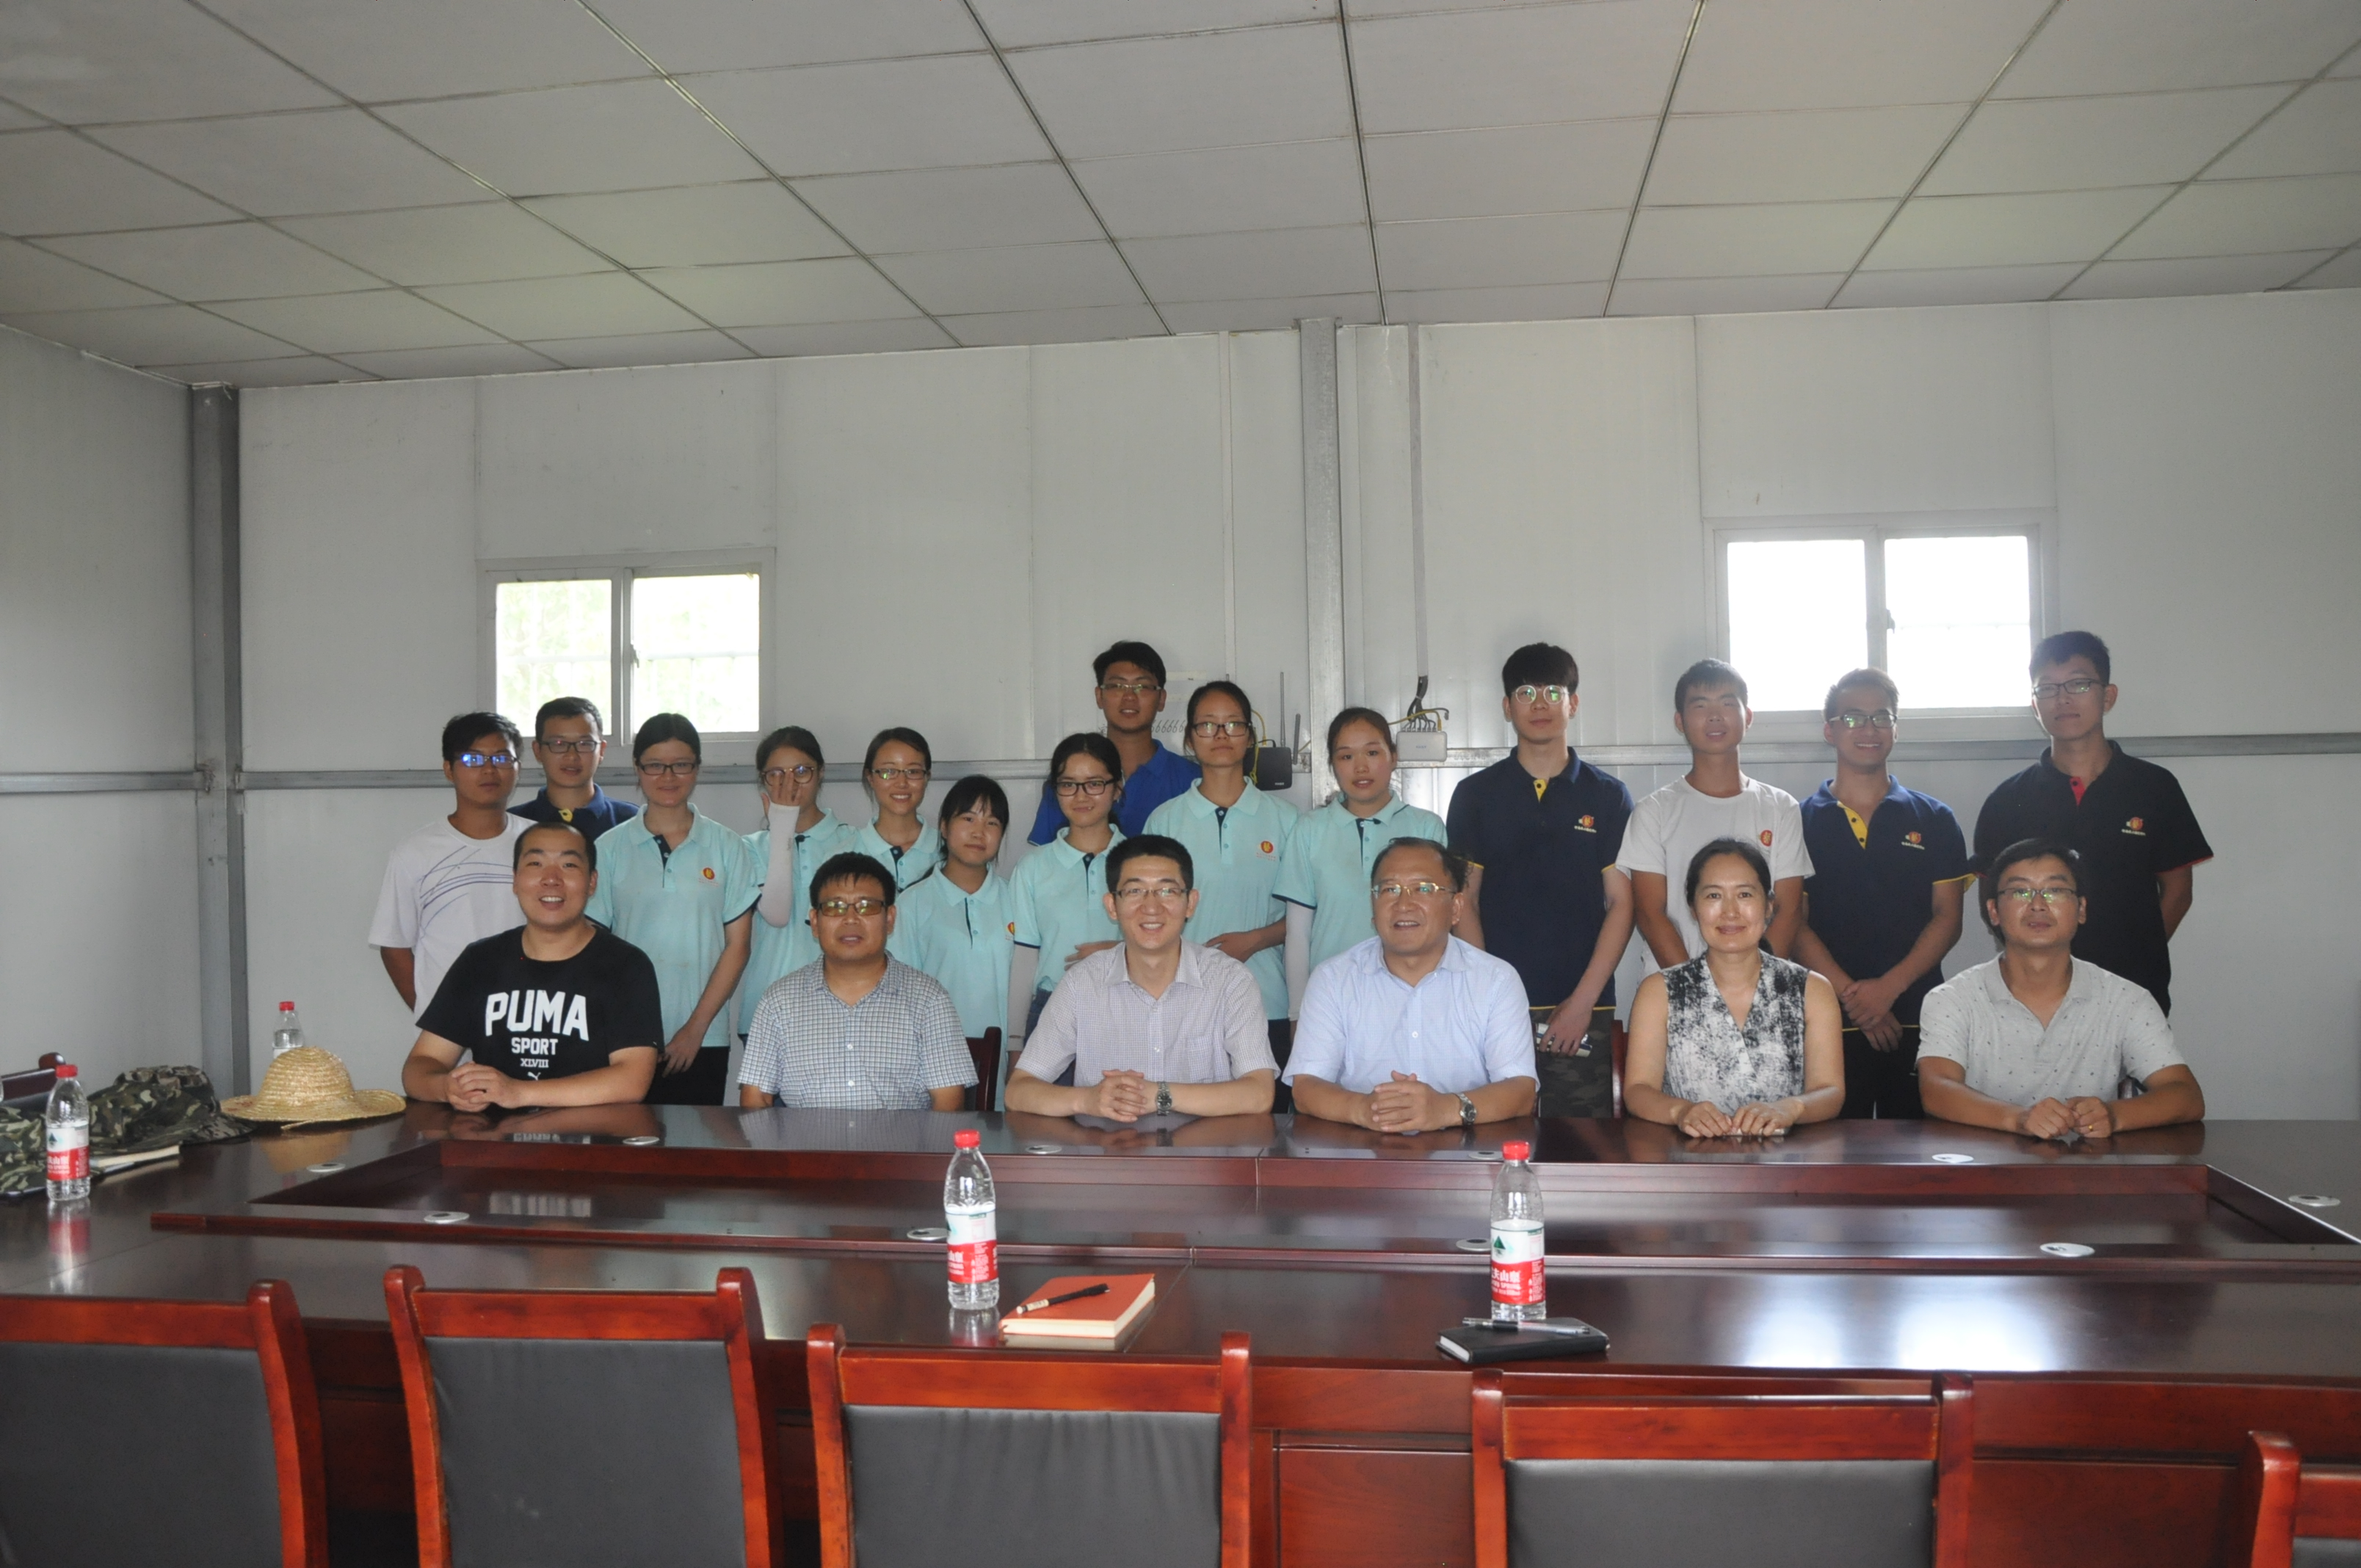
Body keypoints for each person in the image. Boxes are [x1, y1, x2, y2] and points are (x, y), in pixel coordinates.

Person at [1973, 631, 2212, 1013]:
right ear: (2035, 705)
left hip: (2134, 991)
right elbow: (1993, 900)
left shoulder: (2155, 787)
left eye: (2079, 684)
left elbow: (2179, 891)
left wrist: (2136, 954)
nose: (2063, 698)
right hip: (2034, 997)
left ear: (2108, 696)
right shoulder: (2007, 800)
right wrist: (2038, 965)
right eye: (2047, 688)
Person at [1444, 644, 1634, 1118]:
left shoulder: (1608, 796)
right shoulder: (1475, 796)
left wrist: (1582, 1003)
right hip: (1492, 1010)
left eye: (1554, 692)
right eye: (1526, 693)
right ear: (1507, 707)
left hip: (1584, 1011)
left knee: (1580, 1146)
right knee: (1491, 1140)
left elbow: (1622, 904)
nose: (1541, 703)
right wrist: (1492, 999)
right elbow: (1464, 900)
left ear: (1574, 703)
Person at [1918, 839, 2205, 1139]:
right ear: (1994, 912)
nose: (2038, 905)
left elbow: (2185, 1095)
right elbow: (1937, 1090)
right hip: (1984, 1164)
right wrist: (2020, 1119)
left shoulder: (2127, 1000)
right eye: (2020, 891)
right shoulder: (1952, 999)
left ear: (2081, 909)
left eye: (2055, 891)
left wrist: (2113, 1115)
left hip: (2087, 1165)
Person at [1793, 669, 1973, 1119]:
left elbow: (1948, 918)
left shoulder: (1935, 818)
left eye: (1881, 717)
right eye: (1853, 718)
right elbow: (1794, 923)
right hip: (1829, 1017)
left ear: (1896, 728)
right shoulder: (1797, 821)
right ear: (1829, 730)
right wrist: (1856, 1000)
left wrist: (1888, 990)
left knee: (1918, 1151)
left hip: (1918, 1015)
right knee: (1830, 1150)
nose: (1869, 729)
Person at [1004, 836, 1277, 1120]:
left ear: (1191, 903)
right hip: (1107, 1145)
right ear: (1112, 906)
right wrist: (1087, 1100)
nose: (1151, 907)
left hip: (1203, 1147)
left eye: (1167, 891)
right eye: (1135, 891)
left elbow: (1259, 1094)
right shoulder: (1081, 983)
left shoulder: (1230, 980)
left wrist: (1159, 1095)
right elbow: (1018, 1091)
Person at [402, 821, 660, 1109]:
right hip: (494, 1135)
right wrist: (447, 1087)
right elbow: (421, 1065)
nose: (551, 879)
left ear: (592, 882)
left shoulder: (626, 966)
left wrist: (518, 1093)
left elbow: (632, 1080)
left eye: (569, 865)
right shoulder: (480, 961)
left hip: (591, 1134)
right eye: (536, 863)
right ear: (515, 880)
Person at [1286, 839, 1537, 1132]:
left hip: (1466, 1152)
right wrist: (1365, 1110)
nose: (1404, 905)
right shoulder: (1333, 979)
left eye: (1423, 889)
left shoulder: (1496, 980)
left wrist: (1446, 1109)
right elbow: (1306, 1087)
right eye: (1390, 890)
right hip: (1362, 1150)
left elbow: (1521, 1090)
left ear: (1456, 908)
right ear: (1373, 906)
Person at [584, 713, 759, 1106]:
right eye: (655, 765)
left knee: (693, 1141)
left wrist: (695, 1029)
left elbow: (738, 946)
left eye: (681, 765)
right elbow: (594, 947)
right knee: (625, 1141)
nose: (668, 776)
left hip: (702, 1038)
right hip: (623, 1037)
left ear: (696, 768)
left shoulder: (728, 847)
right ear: (638, 769)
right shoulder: (608, 848)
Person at [1623, 840, 1845, 1137]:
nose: (1730, 911)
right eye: (1714, 895)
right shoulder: (1659, 991)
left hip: (1787, 1160)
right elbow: (1638, 1090)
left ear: (1768, 906)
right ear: (1693, 908)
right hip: (1688, 1157)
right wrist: (1681, 1111)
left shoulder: (1811, 989)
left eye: (1744, 894)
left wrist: (1791, 1108)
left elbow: (1830, 1091)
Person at [1145, 681, 1300, 1087]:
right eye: (1207, 725)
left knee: (1266, 1116)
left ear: (1249, 736)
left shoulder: (1287, 820)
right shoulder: (1164, 821)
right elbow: (1147, 914)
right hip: (1182, 1001)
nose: (1220, 735)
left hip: (1267, 1000)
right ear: (1189, 738)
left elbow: (1307, 915)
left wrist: (1256, 940)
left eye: (1233, 724)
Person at [738, 853, 976, 1111]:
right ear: (815, 922)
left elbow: (948, 1103)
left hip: (900, 1138)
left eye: (866, 906)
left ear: (889, 919)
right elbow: (755, 1099)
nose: (850, 918)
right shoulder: (779, 1001)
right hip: (806, 1138)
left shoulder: (929, 999)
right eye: (835, 907)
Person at [1620, 658, 1813, 968]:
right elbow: (1650, 914)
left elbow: (1788, 910)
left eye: (1727, 703)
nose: (1714, 716)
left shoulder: (1781, 807)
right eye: (1700, 706)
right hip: (1674, 987)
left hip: (1760, 987)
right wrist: (1696, 987)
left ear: (1748, 717)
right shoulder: (1653, 811)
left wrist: (1753, 983)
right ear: (1680, 721)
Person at [370, 712, 531, 1020]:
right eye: (473, 759)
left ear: (517, 769)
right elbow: (394, 946)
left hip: (529, 1021)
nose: (489, 770)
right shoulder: (416, 852)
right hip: (451, 1027)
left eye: (501, 758)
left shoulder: (540, 844)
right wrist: (434, 1017)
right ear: (448, 770)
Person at [1277, 708, 1448, 985]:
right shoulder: (1309, 830)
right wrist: (1299, 1006)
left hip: (1412, 989)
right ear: (1332, 765)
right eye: (1346, 756)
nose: (1360, 767)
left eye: (1372, 753)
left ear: (1393, 757)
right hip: (1332, 993)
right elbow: (1298, 933)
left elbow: (1440, 923)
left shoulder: (1426, 828)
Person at [1007, 733, 1126, 1053]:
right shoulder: (1032, 867)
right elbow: (1024, 959)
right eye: (1068, 784)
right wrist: (1016, 1043)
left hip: (1128, 1006)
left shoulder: (1141, 860)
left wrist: (1121, 951)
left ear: (1117, 788)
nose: (1081, 796)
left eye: (1095, 783)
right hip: (1052, 1009)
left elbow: (1170, 945)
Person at [739, 725, 860, 1038]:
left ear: (821, 773)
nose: (789, 783)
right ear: (763, 780)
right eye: (776, 774)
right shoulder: (749, 847)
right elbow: (777, 914)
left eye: (802, 771)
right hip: (767, 1010)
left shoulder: (853, 841)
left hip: (839, 1012)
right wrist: (781, 828)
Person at [1025, 641, 1200, 845]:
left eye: (1142, 687)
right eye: (1117, 686)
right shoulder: (1069, 780)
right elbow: (1046, 857)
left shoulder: (1192, 781)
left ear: (1161, 699)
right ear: (1099, 696)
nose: (1129, 697)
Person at [888, 775, 1015, 1040]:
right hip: (934, 1054)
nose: (979, 832)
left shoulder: (1016, 898)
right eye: (968, 819)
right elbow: (899, 993)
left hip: (1005, 1055)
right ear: (944, 828)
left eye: (992, 823)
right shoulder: (912, 903)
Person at [509, 696, 638, 838]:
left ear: (601, 750)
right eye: (559, 744)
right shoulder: (510, 826)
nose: (572, 756)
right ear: (538, 750)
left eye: (584, 744)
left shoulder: (633, 823)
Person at [855, 727, 942, 892]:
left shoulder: (949, 852)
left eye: (913, 772)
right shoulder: (844, 854)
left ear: (927, 777)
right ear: (870, 777)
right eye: (888, 772)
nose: (902, 783)